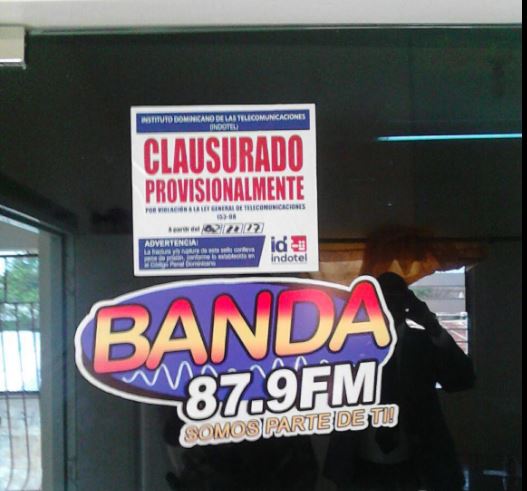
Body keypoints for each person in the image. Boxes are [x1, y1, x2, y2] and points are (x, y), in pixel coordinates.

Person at [324, 272, 475, 491]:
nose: (388, 306)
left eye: (394, 299)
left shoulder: (424, 343)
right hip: (356, 463)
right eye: (381, 299)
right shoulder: (347, 345)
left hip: (413, 464)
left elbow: (463, 380)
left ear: (407, 303)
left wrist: (431, 325)